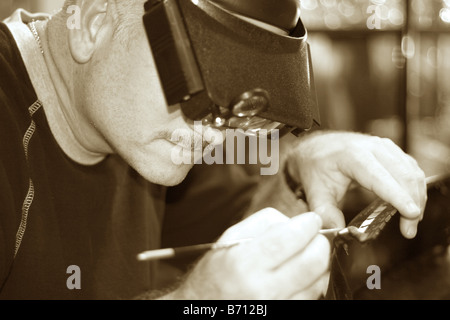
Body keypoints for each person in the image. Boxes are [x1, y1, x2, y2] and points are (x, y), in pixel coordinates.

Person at [0, 0, 426, 300]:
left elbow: (232, 223)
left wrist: (299, 174)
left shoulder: (148, 132)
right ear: (92, 24)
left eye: (230, 109)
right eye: (196, 93)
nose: (216, 137)